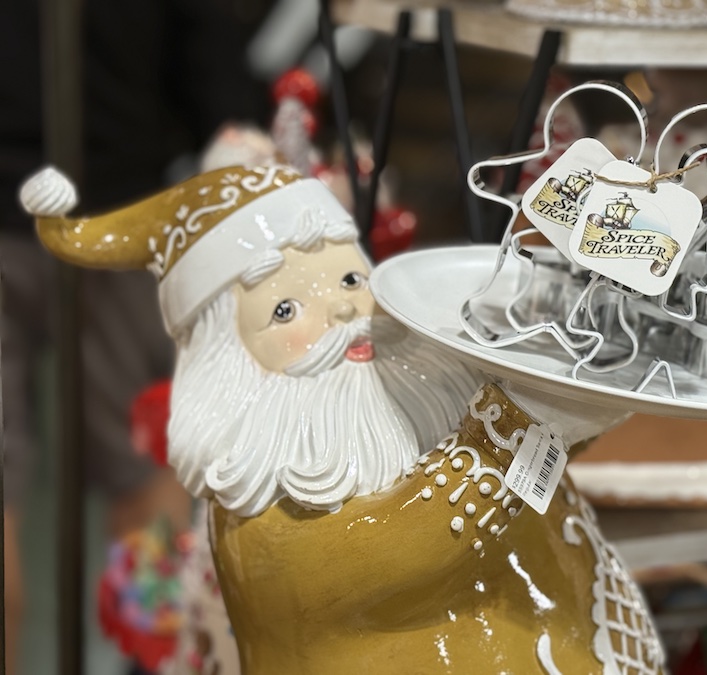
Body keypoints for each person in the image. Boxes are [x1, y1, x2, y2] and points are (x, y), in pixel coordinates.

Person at [21, 163, 665, 674]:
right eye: (284, 310)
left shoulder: (437, 407)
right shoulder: (264, 518)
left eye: (351, 280)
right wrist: (528, 417)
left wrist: (580, 390)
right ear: (228, 364)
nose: (341, 310)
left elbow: (533, 455)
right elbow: (407, 543)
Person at [0, 0, 268, 671]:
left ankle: (157, 656)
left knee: (145, 469)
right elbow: (211, 66)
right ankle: (158, 658)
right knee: (143, 475)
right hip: (112, 197)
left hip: (112, 213)